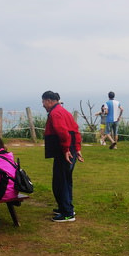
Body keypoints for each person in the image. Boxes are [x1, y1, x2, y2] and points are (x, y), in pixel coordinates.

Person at [42, 91, 84, 222]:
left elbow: (63, 132)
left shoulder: (56, 113)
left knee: (60, 181)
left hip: (64, 151)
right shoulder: (64, 111)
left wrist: (66, 149)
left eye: (43, 102)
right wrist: (77, 148)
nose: (43, 105)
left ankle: (67, 213)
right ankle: (65, 206)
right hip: (69, 149)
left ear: (49, 101)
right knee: (66, 179)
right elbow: (75, 130)